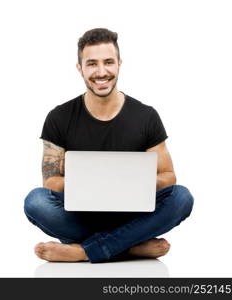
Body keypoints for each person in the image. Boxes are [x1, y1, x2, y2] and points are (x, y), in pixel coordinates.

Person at [24, 28, 194, 263]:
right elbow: (50, 182)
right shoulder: (59, 117)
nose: (101, 72)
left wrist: (131, 180)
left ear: (119, 64)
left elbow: (168, 176)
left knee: (182, 198)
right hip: (81, 216)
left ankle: (85, 251)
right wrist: (98, 182)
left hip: (133, 216)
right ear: (79, 68)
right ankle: (130, 247)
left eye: (108, 62)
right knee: (35, 201)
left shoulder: (146, 116)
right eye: (92, 63)